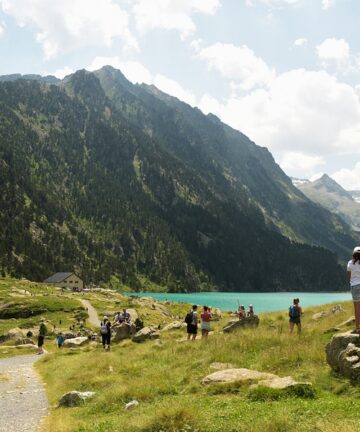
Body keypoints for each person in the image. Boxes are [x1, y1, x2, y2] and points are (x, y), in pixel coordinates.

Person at [347, 246, 360, 334]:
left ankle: (358, 328)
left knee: (357, 308)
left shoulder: (350, 263)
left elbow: (349, 276)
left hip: (355, 286)